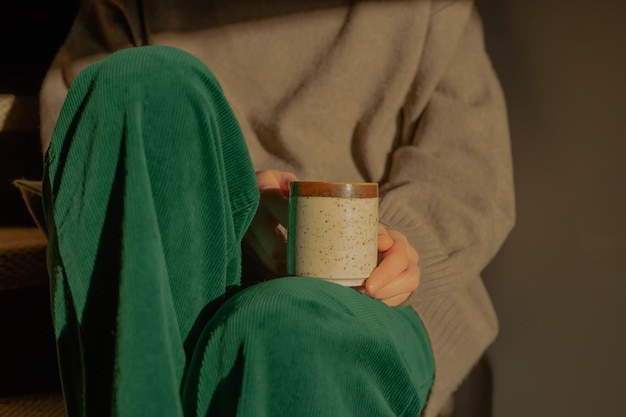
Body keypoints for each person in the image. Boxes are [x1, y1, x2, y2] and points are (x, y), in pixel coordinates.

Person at [36, 0, 515, 416]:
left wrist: (390, 245)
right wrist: (232, 209)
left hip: (374, 287)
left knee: (291, 333)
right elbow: (86, 154)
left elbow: (470, 167)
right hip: (193, 261)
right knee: (134, 82)